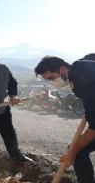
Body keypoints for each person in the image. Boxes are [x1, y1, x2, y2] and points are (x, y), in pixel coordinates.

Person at [34, 55, 95, 183]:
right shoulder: (81, 65)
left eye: (51, 78)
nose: (51, 82)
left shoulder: (85, 82)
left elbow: (94, 128)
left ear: (62, 69)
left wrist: (72, 153)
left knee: (77, 151)